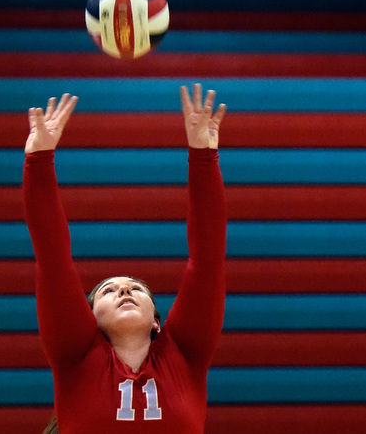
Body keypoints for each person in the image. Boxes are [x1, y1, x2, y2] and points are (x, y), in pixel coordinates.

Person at [23, 84, 227, 433]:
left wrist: (203, 154)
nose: (124, 291)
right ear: (89, 323)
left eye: (135, 287)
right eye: (108, 291)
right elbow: (53, 261)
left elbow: (207, 262)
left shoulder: (186, 356)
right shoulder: (75, 358)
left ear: (156, 323)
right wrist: (38, 159)